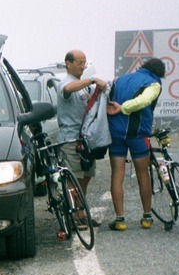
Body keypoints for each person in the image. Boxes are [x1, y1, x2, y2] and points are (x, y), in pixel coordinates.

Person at [105, 57, 166, 231]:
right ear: (160, 73)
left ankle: (120, 220)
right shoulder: (154, 83)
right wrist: (124, 107)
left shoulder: (121, 79)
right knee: (143, 174)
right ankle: (147, 217)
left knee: (117, 174)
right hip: (138, 133)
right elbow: (144, 101)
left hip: (116, 132)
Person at [55, 49, 108, 224]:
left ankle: (80, 214)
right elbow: (68, 89)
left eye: (84, 63)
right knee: (73, 180)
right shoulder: (65, 83)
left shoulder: (86, 86)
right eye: (79, 62)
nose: (82, 66)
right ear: (68, 63)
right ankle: (72, 216)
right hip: (70, 139)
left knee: (85, 178)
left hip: (86, 140)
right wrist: (92, 79)